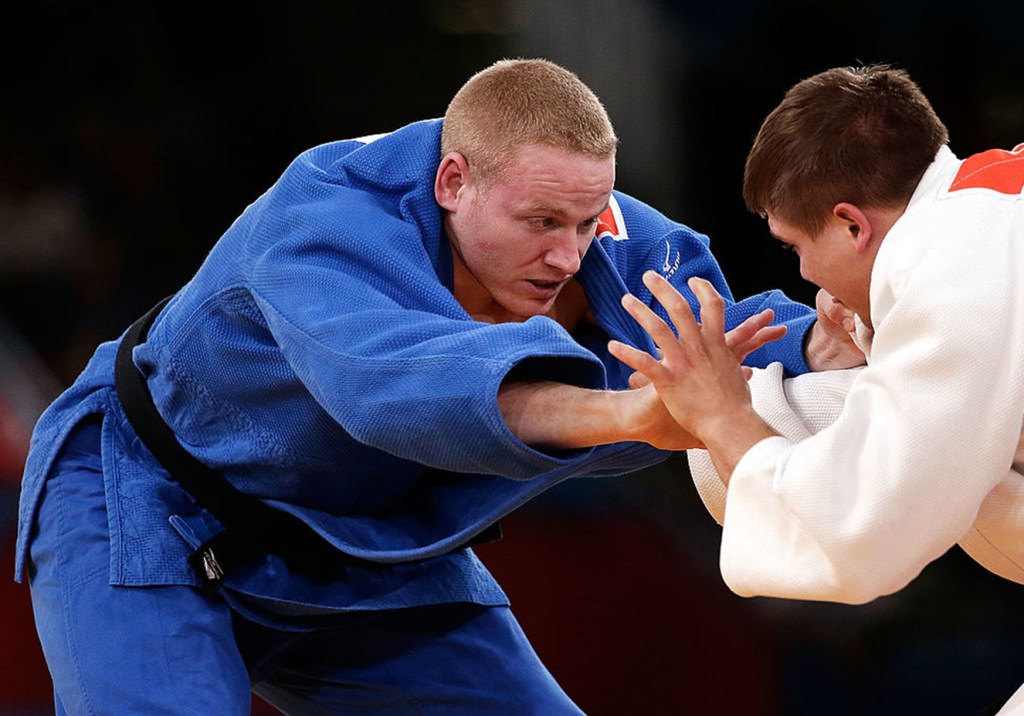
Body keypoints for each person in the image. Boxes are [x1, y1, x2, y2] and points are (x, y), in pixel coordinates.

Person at [16, 58, 858, 714]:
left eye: (586, 223)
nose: (570, 254)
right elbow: (399, 388)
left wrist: (824, 340)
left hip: (356, 539)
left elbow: (711, 330)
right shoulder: (323, 218)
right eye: (541, 226)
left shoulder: (575, 205)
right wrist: (629, 412)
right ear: (453, 181)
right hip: (152, 503)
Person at [609, 64, 1024, 712]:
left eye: (796, 246)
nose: (804, 274)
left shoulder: (951, 268)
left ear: (852, 225)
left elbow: (864, 531)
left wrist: (722, 417)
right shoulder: (985, 210)